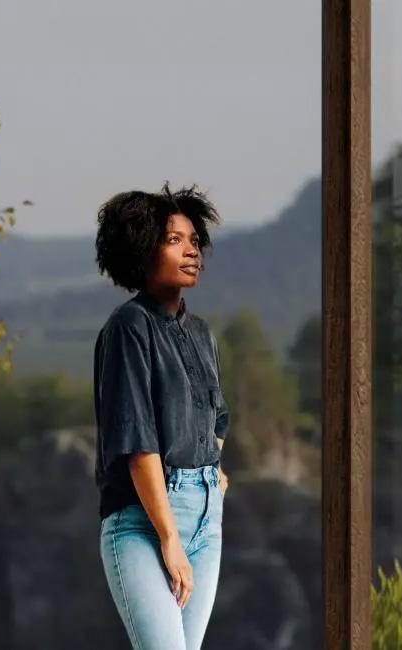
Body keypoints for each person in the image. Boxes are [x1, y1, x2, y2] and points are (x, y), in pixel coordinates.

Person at [92, 184, 231, 649]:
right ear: (142, 248)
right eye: (175, 240)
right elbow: (138, 443)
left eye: (194, 240)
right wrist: (169, 539)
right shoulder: (129, 327)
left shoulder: (202, 334)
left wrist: (212, 470)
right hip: (142, 521)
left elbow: (217, 418)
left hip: (205, 519)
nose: (192, 251)